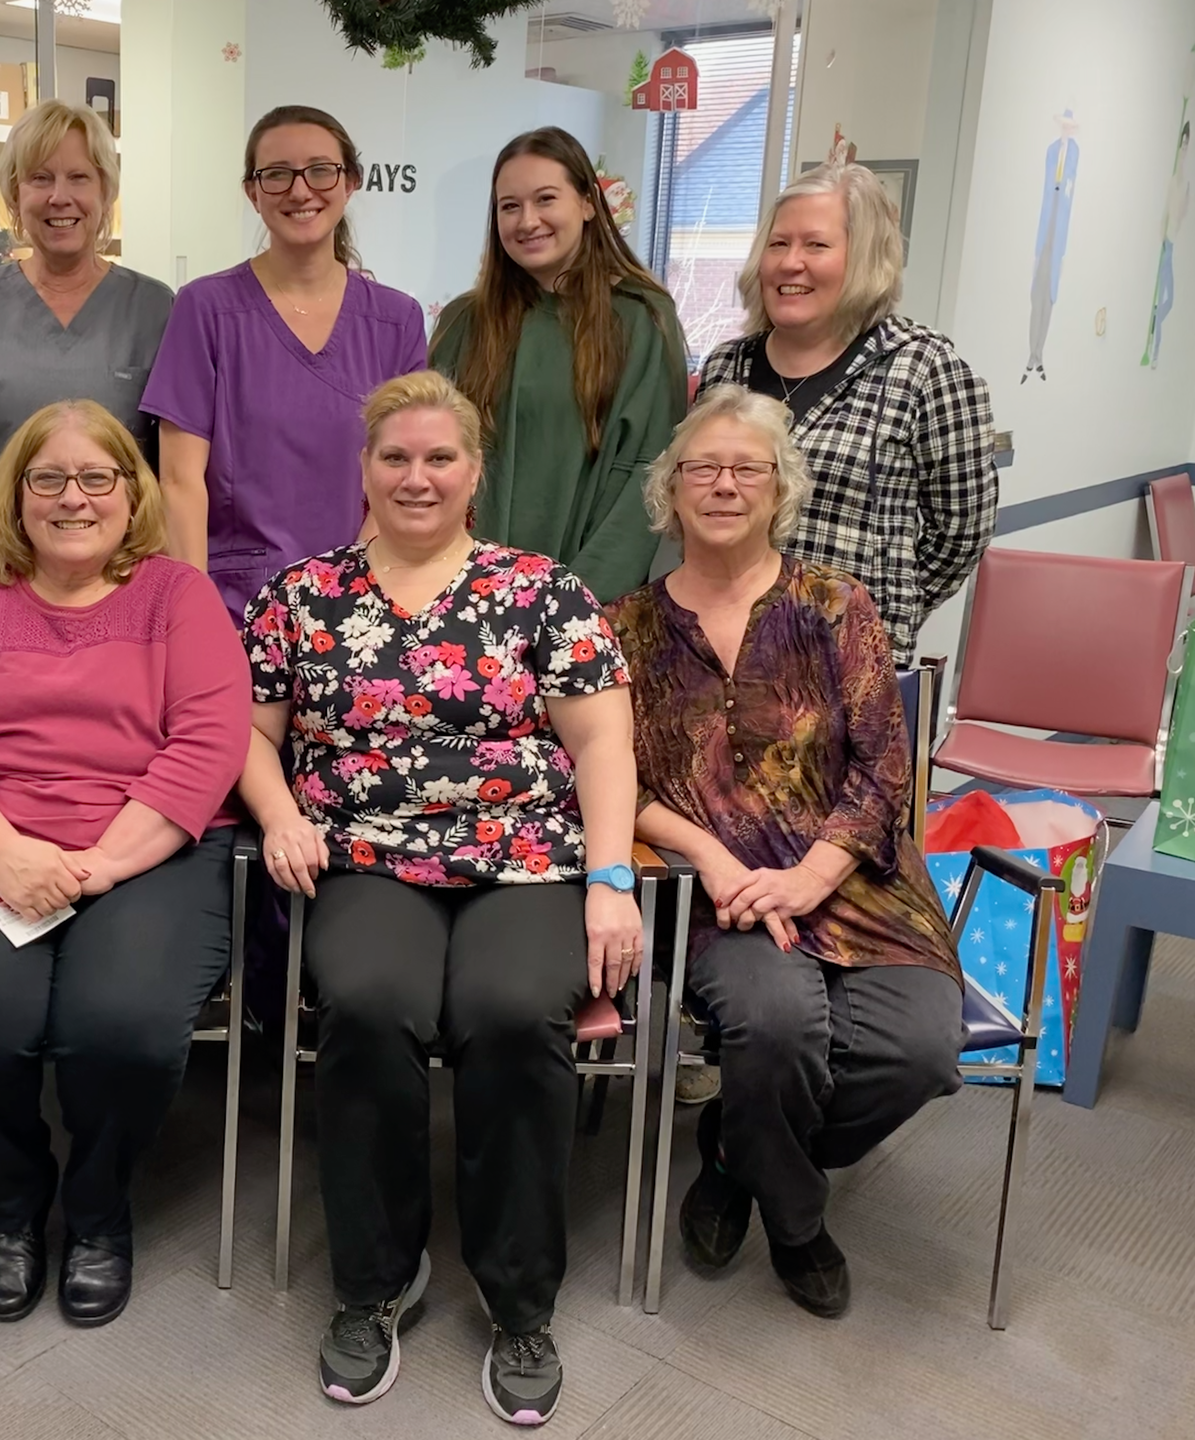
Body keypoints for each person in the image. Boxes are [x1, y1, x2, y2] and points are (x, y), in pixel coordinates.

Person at [240, 372, 643, 1427]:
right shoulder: (301, 593)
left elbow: (602, 740)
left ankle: (520, 1298)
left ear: (474, 473)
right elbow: (249, 730)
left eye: (439, 458)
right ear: (364, 467)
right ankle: (375, 1282)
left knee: (510, 1013)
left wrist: (609, 883)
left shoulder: (541, 592)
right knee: (371, 1005)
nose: (416, 477)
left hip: (524, 856)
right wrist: (280, 811)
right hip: (365, 854)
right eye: (395, 458)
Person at [606, 385, 963, 1321]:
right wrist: (708, 858)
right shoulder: (625, 628)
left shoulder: (837, 605)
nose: (724, 485)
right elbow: (614, 782)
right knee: (774, 1030)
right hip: (716, 890)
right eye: (703, 468)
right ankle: (800, 1225)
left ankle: (735, 1152)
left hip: (856, 878)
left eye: (747, 469)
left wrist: (815, 872)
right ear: (670, 491)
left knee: (921, 1052)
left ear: (779, 490)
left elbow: (889, 765)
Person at [0, 400, 248, 1329]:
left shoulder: (181, 597)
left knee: (122, 1026)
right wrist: (9, 854)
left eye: (98, 478)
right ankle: (12, 1203)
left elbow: (207, 746)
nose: (73, 498)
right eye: (47, 478)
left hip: (150, 851)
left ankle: (97, 1212)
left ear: (132, 496)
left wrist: (94, 866)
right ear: (15, 496)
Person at [699, 162, 997, 663]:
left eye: (816, 245)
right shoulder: (727, 366)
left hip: (844, 664)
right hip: (719, 650)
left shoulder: (924, 368)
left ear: (864, 259)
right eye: (778, 244)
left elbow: (963, 529)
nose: (791, 263)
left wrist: (883, 608)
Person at [143, 104, 427, 624]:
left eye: (321, 170)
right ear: (253, 193)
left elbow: (405, 476)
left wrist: (352, 593)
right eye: (276, 175)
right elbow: (180, 482)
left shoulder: (396, 321)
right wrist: (197, 621)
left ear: (351, 183)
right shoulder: (206, 310)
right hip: (235, 605)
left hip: (363, 604)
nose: (300, 191)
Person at [0, 99, 173, 581]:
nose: (60, 197)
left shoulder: (158, 310)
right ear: (15, 195)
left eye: (79, 178)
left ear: (106, 193)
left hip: (121, 580)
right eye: (40, 178)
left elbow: (178, 467)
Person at [429, 126, 687, 607]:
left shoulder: (640, 317)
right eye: (510, 206)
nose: (528, 221)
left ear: (588, 203)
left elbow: (646, 471)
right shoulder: (464, 322)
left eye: (546, 199)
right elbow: (433, 459)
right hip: (461, 601)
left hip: (583, 603)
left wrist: (572, 603)